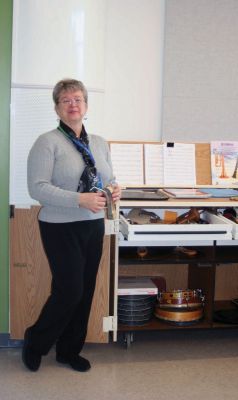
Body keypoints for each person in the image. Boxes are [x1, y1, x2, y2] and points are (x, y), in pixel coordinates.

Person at [23, 78, 121, 372]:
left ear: (86, 106)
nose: (73, 104)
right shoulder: (47, 142)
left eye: (78, 99)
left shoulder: (100, 143)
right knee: (70, 291)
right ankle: (35, 341)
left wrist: (115, 189)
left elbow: (108, 180)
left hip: (92, 226)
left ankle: (68, 350)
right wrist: (80, 199)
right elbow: (37, 188)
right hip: (59, 226)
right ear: (57, 108)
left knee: (86, 290)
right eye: (66, 100)